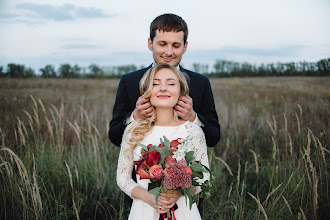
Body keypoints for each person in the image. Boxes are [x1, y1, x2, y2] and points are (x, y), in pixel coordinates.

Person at [109, 13, 220, 149]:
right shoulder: (130, 81)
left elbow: (214, 139)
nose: (169, 52)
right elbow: (114, 137)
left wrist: (193, 117)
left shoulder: (201, 83)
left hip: (188, 169)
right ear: (150, 43)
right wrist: (135, 116)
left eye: (176, 45)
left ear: (185, 47)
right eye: (162, 44)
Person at [116, 63, 209, 219]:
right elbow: (123, 178)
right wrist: (149, 197)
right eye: (155, 83)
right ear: (147, 91)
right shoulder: (133, 131)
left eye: (171, 83)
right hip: (144, 210)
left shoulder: (193, 131)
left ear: (181, 91)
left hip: (183, 211)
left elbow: (204, 178)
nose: (163, 88)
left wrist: (178, 193)